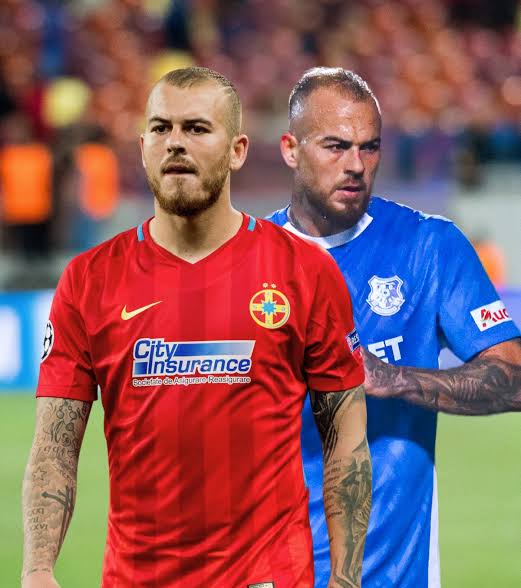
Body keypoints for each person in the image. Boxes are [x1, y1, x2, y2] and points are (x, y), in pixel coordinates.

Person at [21, 67, 370, 588]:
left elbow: (346, 441)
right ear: (143, 147)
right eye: (161, 128)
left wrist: (345, 579)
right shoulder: (89, 280)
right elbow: (54, 445)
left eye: (197, 128)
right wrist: (37, 569)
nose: (175, 142)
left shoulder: (305, 272)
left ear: (237, 150)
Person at [267, 67, 521, 588]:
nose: (355, 165)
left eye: (370, 147)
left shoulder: (428, 246)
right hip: (273, 570)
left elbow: (514, 378)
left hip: (397, 576)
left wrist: (392, 378)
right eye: (336, 146)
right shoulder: (247, 260)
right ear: (291, 149)